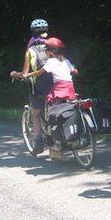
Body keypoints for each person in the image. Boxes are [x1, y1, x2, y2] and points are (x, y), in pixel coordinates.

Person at [21, 36, 78, 160]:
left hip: (58, 89)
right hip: (70, 89)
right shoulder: (66, 61)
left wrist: (28, 74)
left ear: (51, 52)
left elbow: (39, 72)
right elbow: (75, 71)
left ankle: (56, 147)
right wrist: (71, 71)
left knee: (54, 116)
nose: (46, 52)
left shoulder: (51, 61)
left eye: (47, 50)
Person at [10, 18, 54, 154]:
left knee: (36, 113)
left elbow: (25, 74)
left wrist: (14, 74)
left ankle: (38, 142)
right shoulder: (53, 46)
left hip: (39, 88)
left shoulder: (31, 51)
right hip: (58, 86)